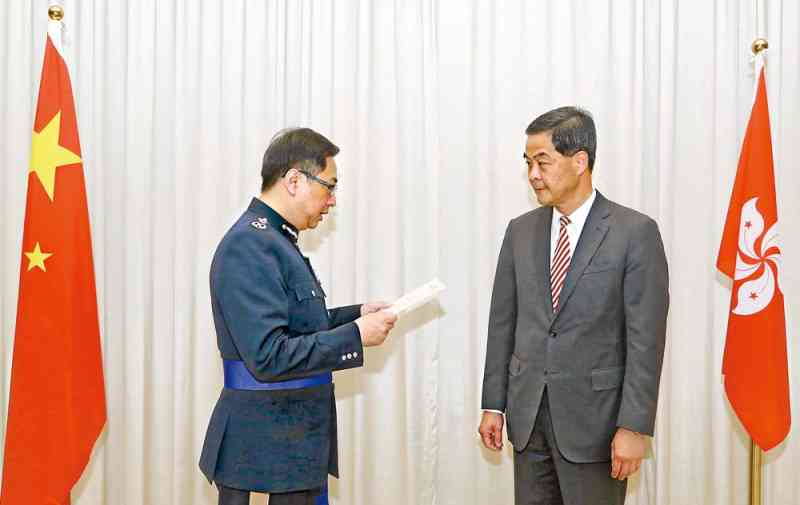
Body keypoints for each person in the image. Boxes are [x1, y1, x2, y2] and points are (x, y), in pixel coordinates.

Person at [478, 107, 669, 505]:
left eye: (542, 162)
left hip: (596, 425)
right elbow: (503, 325)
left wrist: (634, 426)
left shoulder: (635, 233)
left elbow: (645, 340)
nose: (532, 174)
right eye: (528, 163)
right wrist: (493, 404)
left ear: (580, 161)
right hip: (528, 419)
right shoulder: (520, 231)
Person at [199, 127, 398, 505]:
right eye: (329, 186)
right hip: (264, 447)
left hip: (290, 443)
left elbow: (298, 325)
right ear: (294, 180)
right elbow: (269, 355)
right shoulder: (250, 245)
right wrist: (356, 335)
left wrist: (357, 315)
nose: (332, 201)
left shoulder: (276, 240)